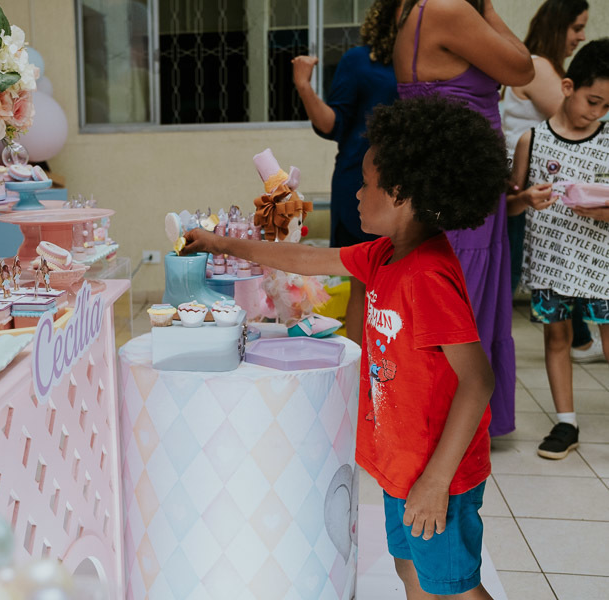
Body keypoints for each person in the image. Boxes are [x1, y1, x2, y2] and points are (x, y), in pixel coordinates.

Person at [183, 96, 504, 600]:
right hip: (404, 464)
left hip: (438, 471)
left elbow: (478, 381)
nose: (355, 193)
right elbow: (301, 257)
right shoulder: (382, 254)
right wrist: (222, 244)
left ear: (399, 194)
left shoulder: (428, 275)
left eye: (366, 183)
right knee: (412, 573)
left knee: (456, 588)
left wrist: (436, 481)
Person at [392, 0, 535, 438]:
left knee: (452, 292)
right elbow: (522, 68)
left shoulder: (411, 7)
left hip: (451, 177)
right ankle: (448, 424)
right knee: (459, 300)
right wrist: (488, 7)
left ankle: (445, 418)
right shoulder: (450, 8)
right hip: (459, 183)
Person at [506, 38, 609, 460]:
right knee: (556, 338)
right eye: (593, 101)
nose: (597, 113)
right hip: (551, 259)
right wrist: (526, 199)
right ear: (567, 86)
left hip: (602, 263)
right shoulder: (532, 140)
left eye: (606, 107)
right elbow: (509, 205)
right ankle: (566, 422)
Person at [292, 0, 399, 345]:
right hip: (361, 179)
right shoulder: (359, 60)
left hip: (410, 184)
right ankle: (359, 369)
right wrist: (304, 86)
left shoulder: (427, 61)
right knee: (363, 280)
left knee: (405, 280)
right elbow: (331, 126)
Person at [504, 0, 603, 364]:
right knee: (533, 274)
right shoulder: (539, 66)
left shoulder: (542, 65)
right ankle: (576, 342)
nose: (581, 36)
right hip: (527, 188)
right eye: (577, 27)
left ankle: (577, 340)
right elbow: (573, 124)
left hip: (538, 189)